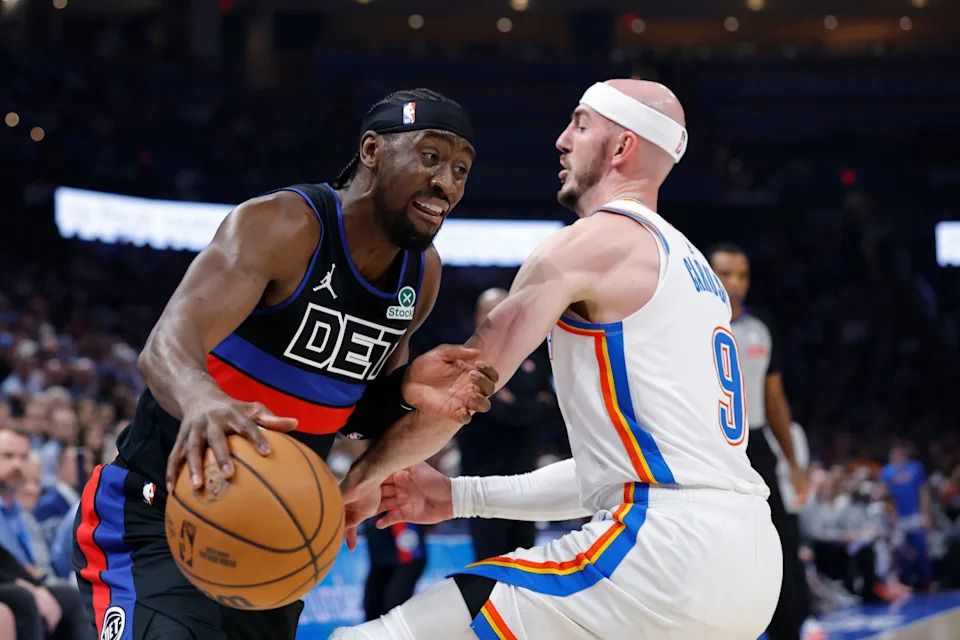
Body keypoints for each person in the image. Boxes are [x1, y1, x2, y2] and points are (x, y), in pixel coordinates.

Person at [332, 79, 781, 640]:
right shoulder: (699, 275)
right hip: (751, 565)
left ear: (621, 148)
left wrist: (364, 475)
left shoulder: (589, 244)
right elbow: (622, 474)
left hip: (661, 555)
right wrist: (460, 495)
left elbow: (458, 391)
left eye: (581, 124)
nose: (562, 140)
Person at [70, 88, 498, 640]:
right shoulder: (285, 225)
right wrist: (203, 400)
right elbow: (168, 343)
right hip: (162, 514)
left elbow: (354, 416)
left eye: (462, 168)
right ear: (371, 150)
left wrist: (409, 394)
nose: (447, 182)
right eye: (431, 156)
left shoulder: (421, 276)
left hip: (273, 537)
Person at [708, 243, 808, 640]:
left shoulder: (761, 327)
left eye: (742, 275)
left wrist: (793, 462)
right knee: (717, 547)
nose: (735, 283)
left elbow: (775, 398)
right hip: (710, 449)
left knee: (780, 543)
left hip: (757, 444)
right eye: (726, 274)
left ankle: (789, 630)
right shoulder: (689, 324)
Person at [456, 288, 560, 561]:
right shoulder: (466, 361)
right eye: (490, 310)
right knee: (489, 567)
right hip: (482, 486)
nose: (498, 316)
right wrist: (525, 404)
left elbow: (549, 407)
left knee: (524, 564)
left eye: (504, 309)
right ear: (478, 316)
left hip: (526, 482)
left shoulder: (534, 357)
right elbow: (500, 412)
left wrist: (512, 403)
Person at [0, 429, 91, 640]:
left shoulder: (24, 518)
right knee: (24, 599)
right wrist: (24, 581)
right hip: (12, 585)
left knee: (74, 596)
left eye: (23, 457)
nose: (17, 465)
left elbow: (42, 566)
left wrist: (35, 582)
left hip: (32, 580)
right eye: (8, 456)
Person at [879, 440, 933, 589]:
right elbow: (884, 495)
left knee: (921, 548)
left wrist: (926, 514)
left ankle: (926, 581)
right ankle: (906, 581)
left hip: (915, 515)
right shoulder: (887, 471)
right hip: (897, 519)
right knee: (900, 552)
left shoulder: (916, 468)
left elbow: (923, 492)